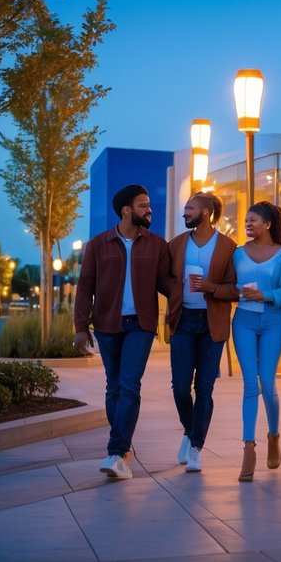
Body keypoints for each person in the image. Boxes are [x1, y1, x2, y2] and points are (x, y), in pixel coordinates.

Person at [74, 184, 171, 480]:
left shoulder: (157, 245)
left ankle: (116, 452)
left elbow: (166, 284)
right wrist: (80, 327)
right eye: (143, 205)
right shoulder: (98, 244)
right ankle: (122, 449)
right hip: (106, 324)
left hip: (140, 325)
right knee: (113, 386)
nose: (149, 210)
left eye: (149, 205)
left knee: (129, 385)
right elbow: (85, 287)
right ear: (126, 210)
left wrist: (181, 307)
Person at [166, 192, 238, 473]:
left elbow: (234, 289)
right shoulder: (176, 244)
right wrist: (174, 288)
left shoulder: (228, 247)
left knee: (204, 389)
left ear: (206, 212)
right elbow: (163, 277)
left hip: (212, 324)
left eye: (189, 208)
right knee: (180, 386)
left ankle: (195, 446)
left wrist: (211, 288)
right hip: (182, 320)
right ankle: (190, 429)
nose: (185, 213)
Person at [232, 201, 281, 480]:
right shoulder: (236, 254)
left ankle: (273, 436)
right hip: (243, 320)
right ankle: (248, 448)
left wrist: (265, 295)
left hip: (272, 322)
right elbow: (228, 285)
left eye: (253, 220)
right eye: (246, 220)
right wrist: (240, 291)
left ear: (267, 224)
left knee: (267, 384)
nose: (247, 224)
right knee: (249, 384)